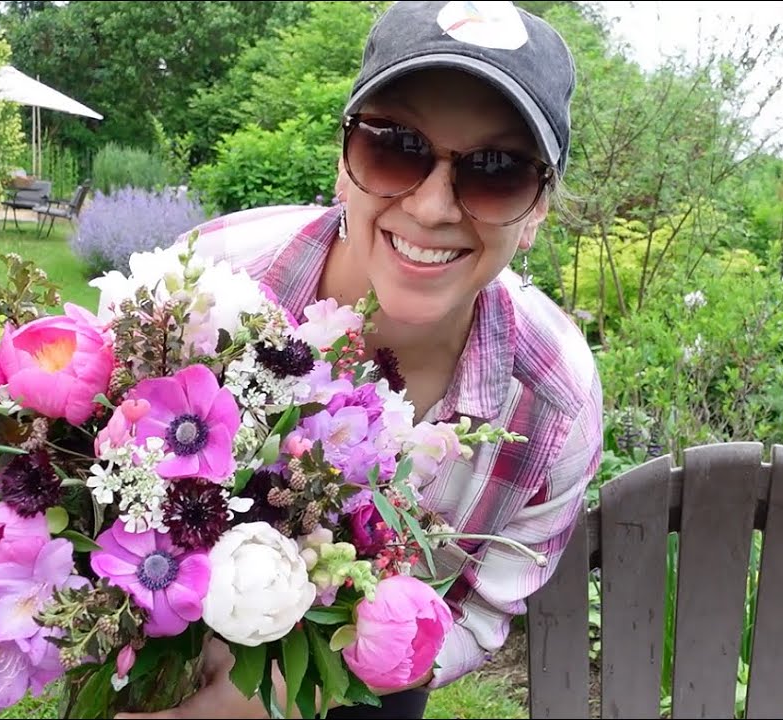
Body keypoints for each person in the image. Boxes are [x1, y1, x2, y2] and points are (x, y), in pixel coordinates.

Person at [118, 2, 603, 717]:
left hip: (357, 682)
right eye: (395, 145)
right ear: (343, 162)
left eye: (497, 170)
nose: (434, 207)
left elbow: (474, 611)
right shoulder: (205, 285)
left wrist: (276, 696)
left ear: (536, 211)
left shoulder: (553, 410)